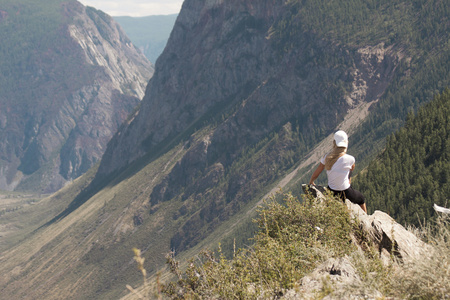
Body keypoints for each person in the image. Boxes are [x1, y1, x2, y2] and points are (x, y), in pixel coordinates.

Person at [309, 130, 367, 213]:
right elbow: (351, 169)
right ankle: (366, 218)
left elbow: (317, 172)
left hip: (331, 191)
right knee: (361, 199)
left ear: (334, 143)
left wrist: (311, 181)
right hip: (346, 192)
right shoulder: (350, 159)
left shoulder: (326, 157)